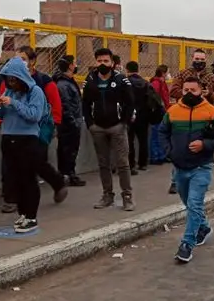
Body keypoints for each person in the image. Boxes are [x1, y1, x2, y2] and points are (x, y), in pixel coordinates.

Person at [158, 76, 214, 263]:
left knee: (194, 204)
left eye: (193, 90)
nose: (189, 94)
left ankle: (186, 244)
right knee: (189, 204)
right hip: (179, 167)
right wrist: (169, 151)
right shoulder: (173, 111)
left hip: (202, 167)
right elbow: (162, 132)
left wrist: (205, 144)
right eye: (186, 90)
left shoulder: (211, 111)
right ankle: (203, 228)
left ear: (201, 91)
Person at [0, 47, 68, 212]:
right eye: (16, 58)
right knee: (10, 165)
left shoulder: (43, 81)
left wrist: (55, 126)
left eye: (23, 58)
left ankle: (56, 183)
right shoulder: (8, 82)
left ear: (32, 61)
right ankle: (11, 198)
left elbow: (54, 104)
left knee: (36, 163)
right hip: (12, 132)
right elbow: (3, 103)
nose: (19, 62)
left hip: (38, 130)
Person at [0, 57, 47, 233]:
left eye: (14, 79)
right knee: (15, 179)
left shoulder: (35, 92)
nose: (11, 83)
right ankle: (23, 213)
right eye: (8, 79)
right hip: (9, 138)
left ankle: (32, 216)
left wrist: (14, 103)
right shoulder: (9, 92)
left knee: (28, 179)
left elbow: (34, 115)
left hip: (27, 140)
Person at [82, 48, 136, 211]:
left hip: (117, 127)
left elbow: (130, 102)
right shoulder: (90, 79)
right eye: (99, 61)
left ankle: (127, 196)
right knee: (103, 163)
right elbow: (84, 104)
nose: (103, 64)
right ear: (96, 62)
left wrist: (124, 123)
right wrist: (90, 124)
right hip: (97, 127)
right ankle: (107, 195)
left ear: (112, 63)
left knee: (122, 163)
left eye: (106, 61)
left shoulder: (121, 80)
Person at [168, 49, 214, 194]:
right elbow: (173, 90)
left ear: (205, 60)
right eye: (196, 58)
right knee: (181, 149)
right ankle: (176, 181)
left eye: (201, 59)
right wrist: (190, 92)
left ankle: (200, 180)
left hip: (204, 119)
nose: (199, 61)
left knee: (202, 148)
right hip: (183, 116)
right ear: (192, 58)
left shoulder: (211, 77)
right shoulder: (183, 73)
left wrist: (209, 94)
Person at [53, 55, 86, 187]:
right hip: (69, 124)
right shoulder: (63, 84)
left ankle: (66, 174)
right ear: (70, 66)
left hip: (71, 122)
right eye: (74, 63)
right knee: (68, 150)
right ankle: (68, 175)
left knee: (68, 150)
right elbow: (66, 106)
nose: (76, 65)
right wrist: (73, 123)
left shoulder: (68, 82)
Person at [125, 60, 159, 174]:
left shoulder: (126, 82)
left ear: (127, 70)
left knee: (129, 140)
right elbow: (152, 99)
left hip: (129, 115)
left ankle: (131, 164)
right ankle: (143, 163)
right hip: (143, 115)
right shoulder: (145, 83)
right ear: (138, 70)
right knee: (143, 140)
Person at [148, 64, 171, 165]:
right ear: (163, 73)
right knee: (156, 135)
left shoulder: (161, 82)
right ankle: (155, 157)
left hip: (162, 111)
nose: (168, 74)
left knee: (161, 135)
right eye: (167, 72)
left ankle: (161, 155)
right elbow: (155, 98)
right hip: (157, 112)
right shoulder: (156, 83)